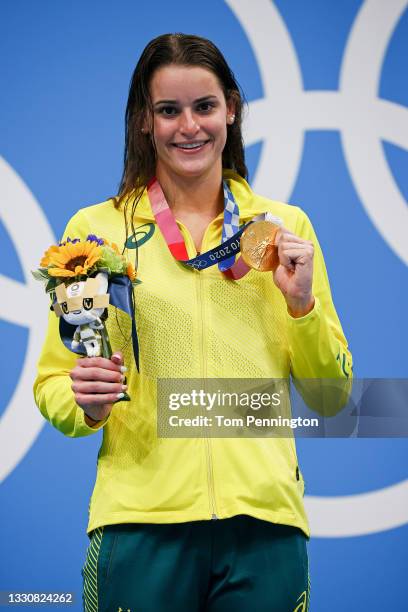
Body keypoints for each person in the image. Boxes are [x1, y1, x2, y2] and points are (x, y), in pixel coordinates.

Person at [34, 33, 352, 612]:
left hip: (265, 527)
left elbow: (331, 398)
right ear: (142, 122)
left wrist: (302, 307)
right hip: (139, 523)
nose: (189, 127)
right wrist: (86, 404)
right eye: (168, 110)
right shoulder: (95, 231)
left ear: (231, 108)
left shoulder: (282, 230)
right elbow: (55, 382)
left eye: (204, 107)